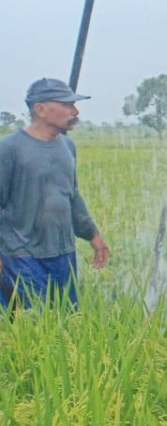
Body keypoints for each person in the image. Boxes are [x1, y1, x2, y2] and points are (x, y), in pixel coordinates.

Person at [0, 78, 109, 308]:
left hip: (63, 253)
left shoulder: (67, 147)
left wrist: (93, 235)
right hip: (21, 255)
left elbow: (73, 195)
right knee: (30, 325)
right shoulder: (9, 148)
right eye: (66, 105)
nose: (74, 111)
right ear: (40, 109)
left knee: (66, 321)